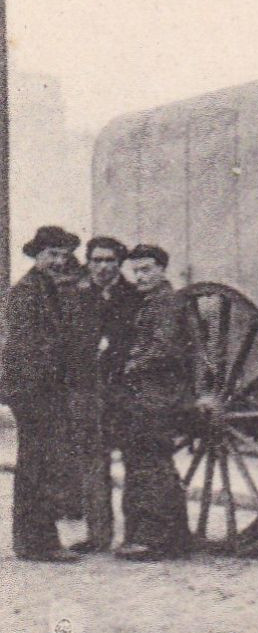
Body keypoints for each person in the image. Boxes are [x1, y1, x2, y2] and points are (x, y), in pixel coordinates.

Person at [1, 226, 85, 561]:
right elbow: (28, 348)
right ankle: (37, 543)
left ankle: (36, 540)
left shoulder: (47, 288)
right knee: (37, 464)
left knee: (42, 464)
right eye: (52, 254)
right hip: (34, 390)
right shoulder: (26, 292)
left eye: (63, 255)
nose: (59, 261)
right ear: (37, 256)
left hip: (43, 389)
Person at [112, 245, 193, 561]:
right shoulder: (152, 303)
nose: (140, 277)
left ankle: (152, 538)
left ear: (162, 269)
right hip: (148, 393)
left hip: (158, 395)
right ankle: (174, 538)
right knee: (150, 461)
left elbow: (165, 350)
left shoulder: (166, 304)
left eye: (147, 270)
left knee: (150, 462)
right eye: (136, 271)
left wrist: (130, 364)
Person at [64, 236, 141, 552]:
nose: (103, 267)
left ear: (119, 263)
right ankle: (98, 535)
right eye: (97, 260)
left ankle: (135, 535)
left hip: (123, 391)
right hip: (87, 391)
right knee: (92, 464)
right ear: (88, 262)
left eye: (109, 260)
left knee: (135, 461)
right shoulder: (78, 297)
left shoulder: (134, 297)